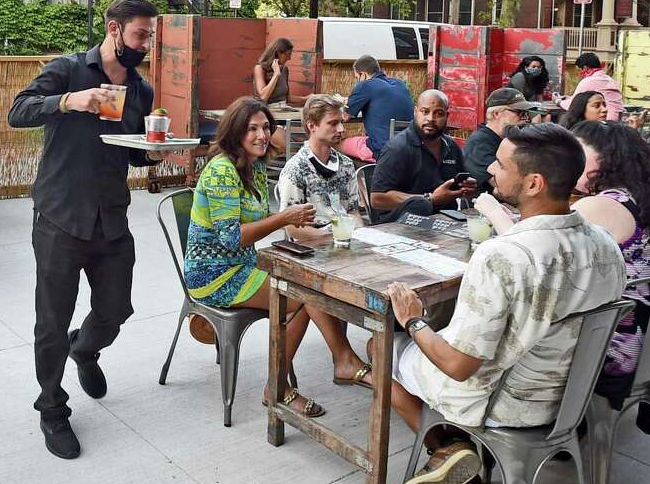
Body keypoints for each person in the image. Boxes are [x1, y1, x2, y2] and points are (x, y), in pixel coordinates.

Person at [387, 124, 625, 484]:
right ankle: (452, 455)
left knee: (383, 350)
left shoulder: (503, 255)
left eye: (500, 164)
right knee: (449, 331)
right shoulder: (605, 244)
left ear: (532, 183)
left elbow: (459, 366)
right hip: (570, 398)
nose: (491, 171)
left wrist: (412, 322)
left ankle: (449, 449)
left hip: (503, 404)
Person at [7, 0, 164, 460]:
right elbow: (19, 111)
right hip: (60, 213)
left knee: (116, 309)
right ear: (114, 30)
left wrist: (153, 153)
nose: (146, 44)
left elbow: (129, 149)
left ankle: (86, 349)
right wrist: (69, 101)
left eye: (150, 35)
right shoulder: (69, 69)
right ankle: (52, 408)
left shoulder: (140, 90)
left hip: (111, 214)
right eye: (140, 34)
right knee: (52, 320)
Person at [184, 97, 374, 410]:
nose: (262, 135)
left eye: (266, 127)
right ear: (235, 132)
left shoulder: (255, 167)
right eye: (252, 129)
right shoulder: (222, 172)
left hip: (242, 265)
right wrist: (284, 219)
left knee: (305, 281)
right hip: (213, 273)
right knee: (301, 295)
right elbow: (231, 238)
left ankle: (330, 364)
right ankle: (297, 378)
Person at [568, 121, 650, 375]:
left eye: (578, 152)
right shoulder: (642, 197)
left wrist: (493, 211)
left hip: (609, 346)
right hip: (645, 339)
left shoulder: (598, 207)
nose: (569, 160)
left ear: (608, 159)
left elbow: (534, 255)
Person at [370, 90, 474, 224]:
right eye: (425, 111)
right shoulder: (397, 148)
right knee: (422, 206)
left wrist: (466, 186)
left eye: (439, 113)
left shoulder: (451, 146)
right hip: (400, 224)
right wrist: (429, 199)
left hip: (445, 220)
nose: (431, 118)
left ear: (447, 116)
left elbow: (456, 183)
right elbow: (377, 199)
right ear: (415, 112)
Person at [276, 94, 364, 242]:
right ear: (311, 126)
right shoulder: (296, 169)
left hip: (346, 241)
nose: (341, 129)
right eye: (333, 123)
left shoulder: (346, 164)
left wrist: (360, 236)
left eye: (341, 122)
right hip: (312, 248)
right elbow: (291, 227)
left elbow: (353, 212)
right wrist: (335, 238)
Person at [340, 54, 414, 163]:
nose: (357, 81)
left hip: (381, 150)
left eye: (357, 78)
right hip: (408, 148)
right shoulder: (400, 84)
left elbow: (345, 116)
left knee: (337, 144)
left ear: (363, 75)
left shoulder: (365, 85)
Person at [462, 88, 537, 193]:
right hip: (485, 207)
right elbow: (503, 184)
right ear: (496, 114)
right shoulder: (479, 144)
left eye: (525, 113)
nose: (524, 118)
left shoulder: (508, 140)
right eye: (519, 112)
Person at [561, 52, 624, 120]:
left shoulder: (588, 81)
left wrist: (558, 101)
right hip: (617, 120)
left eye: (579, 70)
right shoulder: (611, 80)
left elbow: (572, 105)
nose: (578, 74)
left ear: (585, 68)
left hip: (603, 122)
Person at [253, 37, 303, 107]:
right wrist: (276, 75)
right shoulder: (260, 68)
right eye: (288, 54)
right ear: (277, 53)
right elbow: (263, 97)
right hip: (266, 110)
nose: (289, 58)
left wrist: (307, 98)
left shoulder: (284, 69)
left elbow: (287, 98)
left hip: (283, 108)